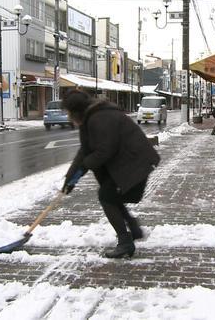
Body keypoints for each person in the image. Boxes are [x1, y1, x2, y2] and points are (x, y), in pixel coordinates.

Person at [61, 90, 161, 258]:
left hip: (135, 162)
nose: (68, 117)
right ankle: (133, 229)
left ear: (76, 111)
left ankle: (125, 242)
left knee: (107, 196)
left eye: (69, 113)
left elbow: (104, 151)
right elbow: (85, 151)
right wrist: (70, 179)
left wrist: (83, 167)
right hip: (129, 162)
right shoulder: (91, 117)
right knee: (112, 195)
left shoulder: (99, 118)